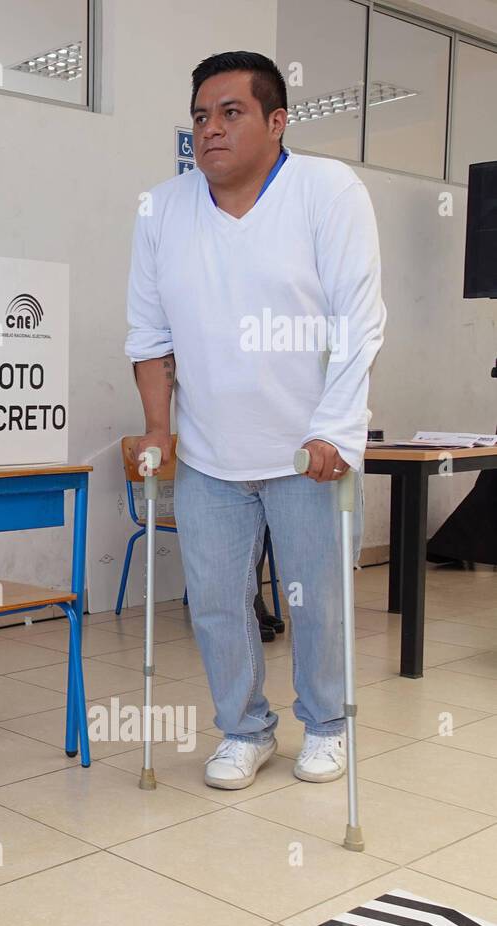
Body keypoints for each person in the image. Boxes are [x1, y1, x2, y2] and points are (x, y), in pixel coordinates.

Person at [126, 51, 384, 790]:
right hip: (211, 451)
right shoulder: (161, 209)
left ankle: (328, 725)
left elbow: (358, 321)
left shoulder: (327, 191)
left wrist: (336, 427)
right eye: (202, 116)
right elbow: (149, 335)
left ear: (276, 122)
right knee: (213, 601)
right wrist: (157, 429)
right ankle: (244, 729)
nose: (211, 129)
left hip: (309, 450)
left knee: (316, 601)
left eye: (231, 113)